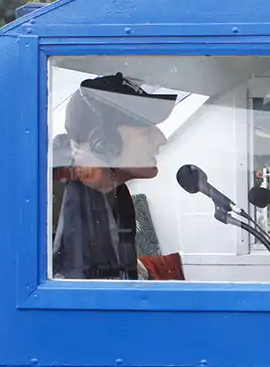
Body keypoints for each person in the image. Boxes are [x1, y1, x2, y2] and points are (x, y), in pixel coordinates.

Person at [51, 73, 176, 279]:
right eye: (146, 131)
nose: (161, 139)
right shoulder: (50, 197)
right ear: (104, 142)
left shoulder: (119, 196)